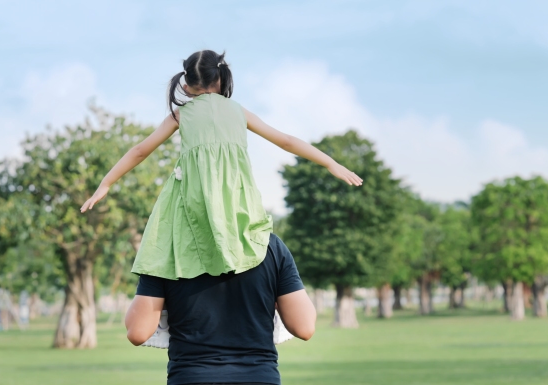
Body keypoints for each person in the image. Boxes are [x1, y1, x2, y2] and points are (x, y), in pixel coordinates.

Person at [81, 49, 362, 281]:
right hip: (238, 200)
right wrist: (330, 163)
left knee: (167, 243)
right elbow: (286, 141)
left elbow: (140, 151)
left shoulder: (182, 114)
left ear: (187, 84)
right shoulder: (238, 110)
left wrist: (105, 183)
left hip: (194, 199)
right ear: (220, 79)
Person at [125, 233, 317, 385]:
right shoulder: (270, 246)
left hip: (191, 376)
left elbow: (138, 332)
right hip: (258, 376)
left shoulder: (166, 249)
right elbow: (305, 327)